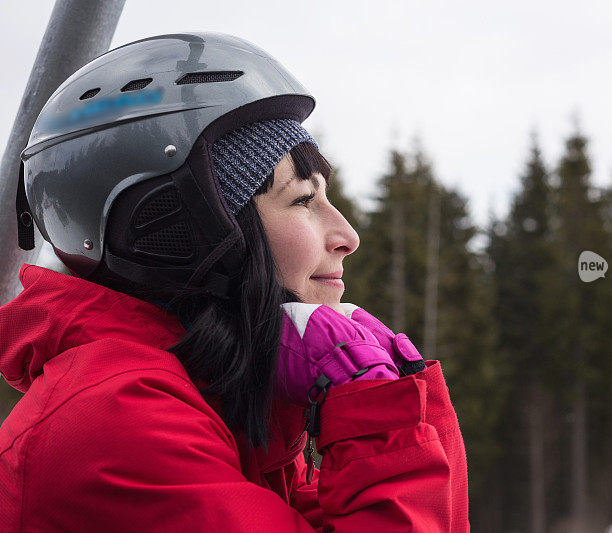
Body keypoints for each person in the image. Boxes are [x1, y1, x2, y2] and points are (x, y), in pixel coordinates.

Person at [0, 33, 469, 531]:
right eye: (303, 201)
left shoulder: (218, 401)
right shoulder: (117, 423)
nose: (347, 236)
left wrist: (398, 381)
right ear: (176, 230)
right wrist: (375, 409)